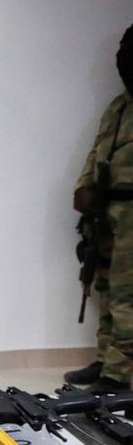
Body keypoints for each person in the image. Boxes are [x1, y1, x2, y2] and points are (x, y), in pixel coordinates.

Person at [66, 24, 133, 392]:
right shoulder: (120, 105)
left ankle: (118, 375)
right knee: (106, 288)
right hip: (108, 212)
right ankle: (108, 358)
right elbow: (98, 151)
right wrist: (84, 188)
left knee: (126, 294)